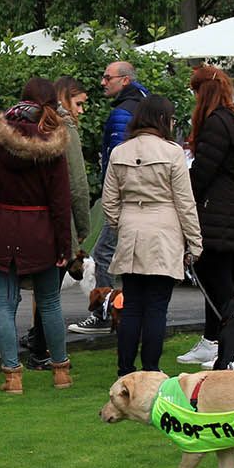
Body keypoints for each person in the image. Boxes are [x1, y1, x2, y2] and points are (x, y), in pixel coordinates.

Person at [0, 78, 74, 393]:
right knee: (50, 302)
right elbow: (61, 201)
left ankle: (12, 377)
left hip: (4, 226)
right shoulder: (53, 142)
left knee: (5, 305)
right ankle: (61, 372)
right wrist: (65, 245)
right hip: (41, 230)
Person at [101, 95, 203, 376]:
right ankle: (151, 369)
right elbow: (185, 202)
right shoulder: (172, 152)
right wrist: (195, 242)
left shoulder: (120, 151)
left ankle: (125, 369)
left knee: (132, 305)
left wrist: (121, 225)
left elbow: (109, 201)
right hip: (164, 231)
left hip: (131, 229)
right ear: (162, 119)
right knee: (157, 307)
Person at [180, 64, 234, 368]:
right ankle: (214, 341)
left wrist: (183, 190)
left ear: (203, 92)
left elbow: (204, 171)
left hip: (214, 209)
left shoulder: (215, 123)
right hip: (232, 207)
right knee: (221, 277)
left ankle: (233, 345)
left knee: (217, 281)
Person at [69, 61, 147, 334]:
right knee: (136, 257)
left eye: (107, 77)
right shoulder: (145, 103)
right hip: (145, 197)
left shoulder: (123, 112)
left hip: (125, 196)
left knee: (104, 252)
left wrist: (112, 195)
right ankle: (132, 314)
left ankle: (104, 313)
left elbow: (118, 158)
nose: (103, 82)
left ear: (124, 80)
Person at [27, 76, 93, 369]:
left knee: (16, 296)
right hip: (57, 219)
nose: (81, 111)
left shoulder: (24, 126)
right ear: (64, 98)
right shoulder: (64, 129)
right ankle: (47, 353)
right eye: (78, 104)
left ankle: (34, 347)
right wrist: (83, 229)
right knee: (50, 294)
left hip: (24, 218)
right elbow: (78, 184)